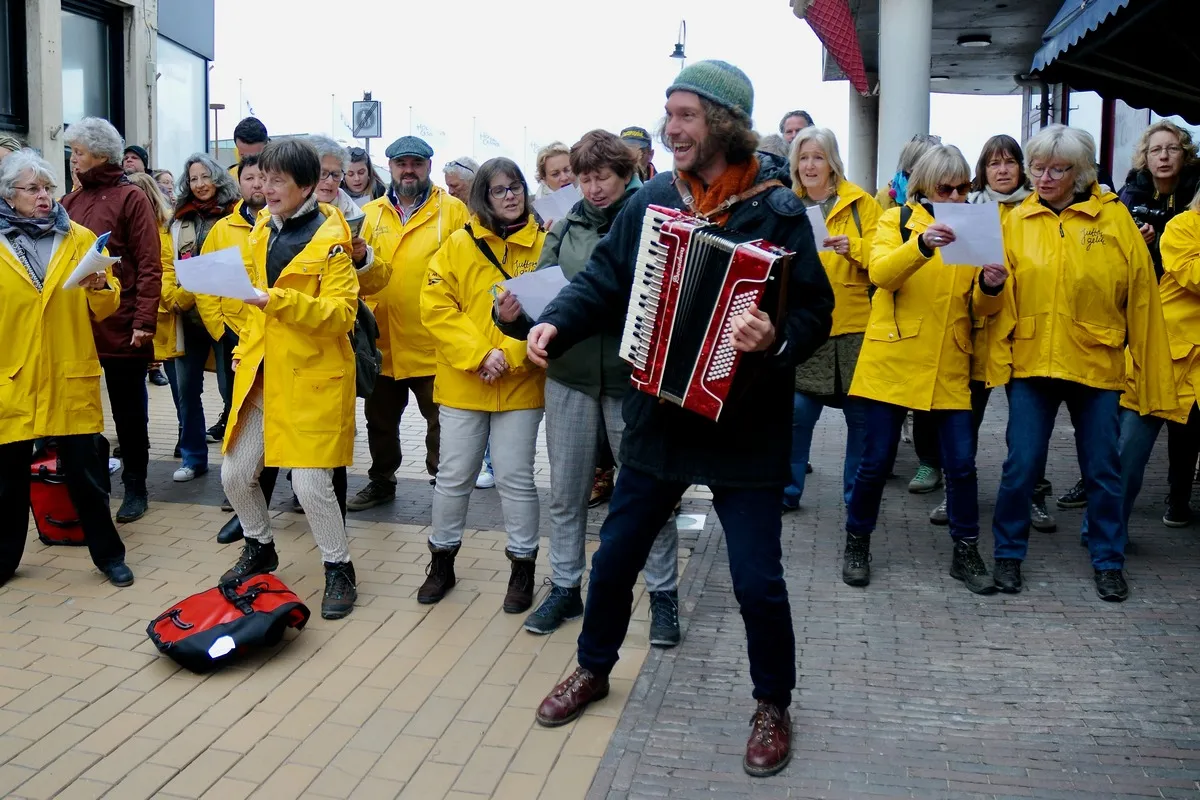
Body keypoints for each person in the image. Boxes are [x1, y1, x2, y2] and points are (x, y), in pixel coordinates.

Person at [526, 60, 833, 778]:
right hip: (660, 416)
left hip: (745, 423)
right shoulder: (653, 199)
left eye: (687, 115)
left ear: (723, 123)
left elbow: (816, 310)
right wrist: (554, 323)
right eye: (668, 113)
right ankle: (593, 667)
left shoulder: (780, 210)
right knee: (616, 558)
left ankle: (771, 704)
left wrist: (777, 337)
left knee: (759, 580)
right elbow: (603, 278)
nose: (671, 128)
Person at [493, 129, 682, 642]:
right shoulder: (566, 225)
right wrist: (513, 318)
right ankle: (565, 586)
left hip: (632, 378)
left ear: (627, 175)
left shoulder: (654, 220)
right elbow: (546, 297)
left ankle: (664, 594)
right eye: (584, 178)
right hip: (571, 375)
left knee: (647, 492)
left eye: (603, 177)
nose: (593, 188)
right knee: (568, 490)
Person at [990, 125, 1174, 603]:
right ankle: (1008, 555)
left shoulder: (1114, 221)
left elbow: (1143, 299)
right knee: (1021, 465)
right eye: (1038, 168)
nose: (1044, 177)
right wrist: (989, 289)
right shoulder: (1016, 220)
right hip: (1032, 361)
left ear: (1081, 173)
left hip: (1097, 361)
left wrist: (1151, 375)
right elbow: (993, 300)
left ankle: (1108, 560)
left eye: (1057, 169)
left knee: (1103, 469)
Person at [840, 144, 1008, 594]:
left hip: (948, 361)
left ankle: (966, 549)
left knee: (962, 465)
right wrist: (922, 244)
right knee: (875, 462)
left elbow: (979, 307)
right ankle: (857, 541)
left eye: (963, 187)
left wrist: (993, 286)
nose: (955, 196)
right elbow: (880, 273)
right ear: (924, 188)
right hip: (892, 359)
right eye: (945, 188)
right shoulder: (894, 221)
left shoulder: (975, 227)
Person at [218, 137, 360, 620]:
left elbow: (341, 314)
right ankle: (260, 547)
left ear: (306, 186)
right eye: (263, 178)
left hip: (313, 378)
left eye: (279, 180)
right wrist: (243, 349)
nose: (267, 188)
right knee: (235, 473)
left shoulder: (333, 241)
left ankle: (339, 567)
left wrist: (275, 302)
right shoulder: (261, 228)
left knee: (310, 484)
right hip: (263, 374)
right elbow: (251, 306)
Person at [417, 157, 547, 612]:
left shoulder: (545, 245)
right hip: (463, 383)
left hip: (520, 384)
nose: (510, 196)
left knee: (516, 479)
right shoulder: (457, 244)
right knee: (453, 478)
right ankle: (441, 561)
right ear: (483, 198)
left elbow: (552, 312)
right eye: (499, 190)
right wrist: (480, 356)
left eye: (515, 187)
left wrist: (506, 357)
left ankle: (522, 567)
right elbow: (436, 307)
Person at [0, 149, 133, 587]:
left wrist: (100, 286)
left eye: (48, 188)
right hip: (13, 373)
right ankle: (4, 561)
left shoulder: (78, 236)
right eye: (32, 189)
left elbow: (108, 304)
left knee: (86, 473)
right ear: (9, 195)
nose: (43, 197)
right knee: (7, 480)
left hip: (66, 368)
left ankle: (109, 557)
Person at [925, 135, 1056, 532]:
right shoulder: (964, 211)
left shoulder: (1042, 209)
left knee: (1028, 429)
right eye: (994, 163)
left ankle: (1031, 494)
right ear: (982, 171)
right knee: (967, 420)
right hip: (979, 330)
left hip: (1028, 331)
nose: (1002, 170)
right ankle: (956, 492)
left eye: (1010, 162)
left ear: (1021, 168)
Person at [349, 136, 469, 511]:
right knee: (380, 422)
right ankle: (382, 480)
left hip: (432, 338)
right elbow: (361, 277)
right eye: (402, 163)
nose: (409, 170)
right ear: (391, 167)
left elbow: (466, 271)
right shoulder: (370, 214)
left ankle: (443, 483)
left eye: (416, 163)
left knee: (441, 422)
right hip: (382, 339)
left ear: (429, 166)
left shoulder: (453, 211)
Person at [61, 117, 163, 524]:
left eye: (79, 153)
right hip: (77, 326)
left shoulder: (130, 198)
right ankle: (89, 486)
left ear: (101, 154)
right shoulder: (67, 203)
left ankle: (136, 486)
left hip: (123, 324)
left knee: (129, 411)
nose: (73, 160)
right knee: (82, 412)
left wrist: (144, 321)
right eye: (71, 153)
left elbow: (150, 263)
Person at [782, 127, 881, 512]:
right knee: (797, 415)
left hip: (856, 328)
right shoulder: (787, 205)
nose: (810, 165)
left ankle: (856, 499)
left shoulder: (862, 205)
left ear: (832, 162)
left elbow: (884, 260)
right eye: (803, 158)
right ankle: (787, 492)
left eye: (818, 157)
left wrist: (853, 247)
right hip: (807, 328)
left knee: (861, 421)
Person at [1118, 121, 1200, 525]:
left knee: (1187, 433)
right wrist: (1141, 243)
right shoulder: (1131, 195)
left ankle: (1178, 497)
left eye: (1172, 149)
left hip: (1186, 341)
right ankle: (1106, 514)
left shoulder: (1191, 193)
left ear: (1185, 155)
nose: (1164, 156)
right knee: (1132, 432)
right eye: (1156, 150)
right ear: (1146, 157)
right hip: (1153, 327)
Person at [168, 153, 242, 481]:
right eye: (193, 179)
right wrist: (178, 296)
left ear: (218, 179)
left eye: (205, 177)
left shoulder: (235, 214)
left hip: (227, 317)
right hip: (188, 316)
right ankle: (193, 457)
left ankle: (237, 465)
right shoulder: (179, 219)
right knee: (187, 390)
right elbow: (170, 266)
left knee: (233, 393)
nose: (199, 185)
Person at [128, 172, 185, 456]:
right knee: (134, 381)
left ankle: (183, 433)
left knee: (179, 382)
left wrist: (170, 297)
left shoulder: (170, 226)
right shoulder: (126, 228)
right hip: (133, 312)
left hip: (167, 313)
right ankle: (139, 436)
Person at [876, 134, 941, 213]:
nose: (935, 173)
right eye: (929, 166)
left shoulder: (947, 193)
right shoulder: (884, 198)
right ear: (909, 167)